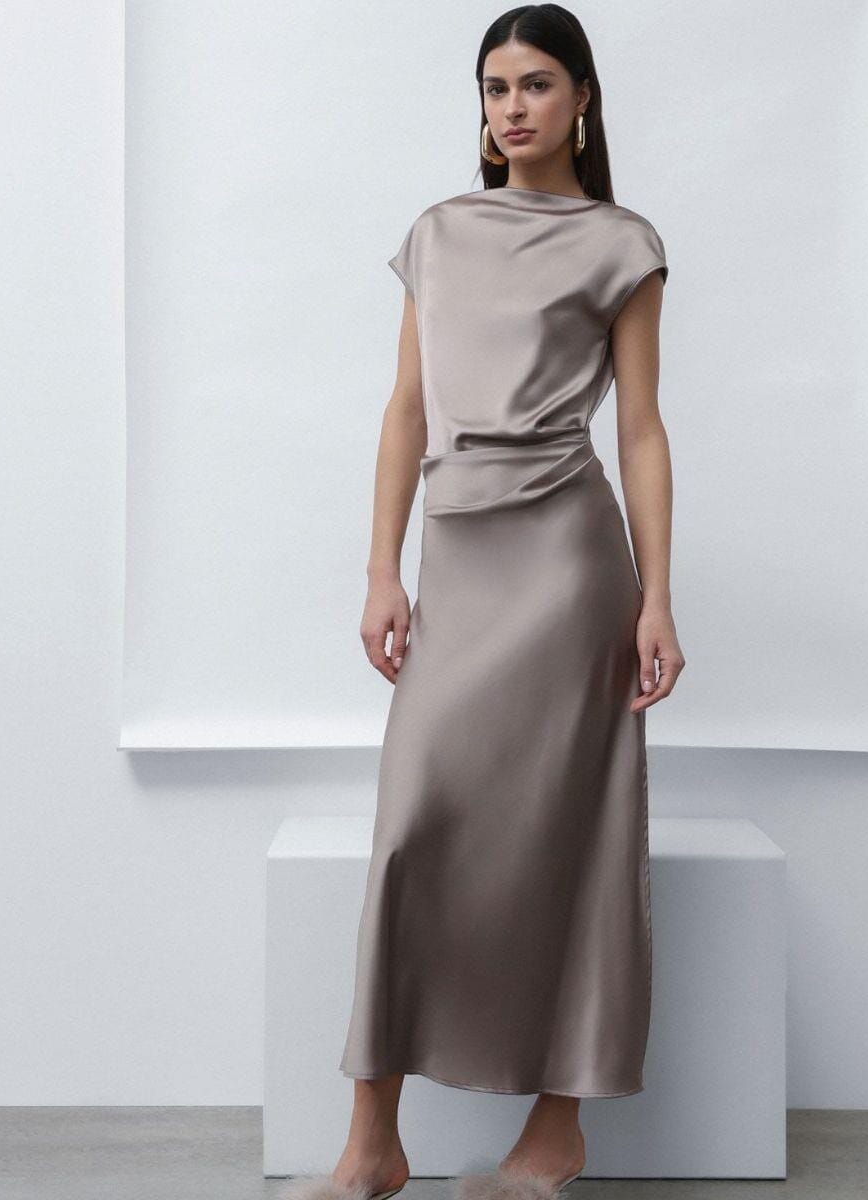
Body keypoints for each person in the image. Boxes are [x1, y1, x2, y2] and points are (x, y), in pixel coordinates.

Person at [282, 7, 685, 1200]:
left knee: (572, 833)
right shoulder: (439, 233)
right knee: (414, 823)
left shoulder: (622, 243)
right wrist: (381, 569)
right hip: (457, 554)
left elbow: (642, 428)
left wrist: (658, 597)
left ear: (583, 100)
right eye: (496, 87)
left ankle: (555, 1134)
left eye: (538, 84)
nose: (513, 107)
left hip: (568, 564)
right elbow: (406, 410)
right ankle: (373, 1143)